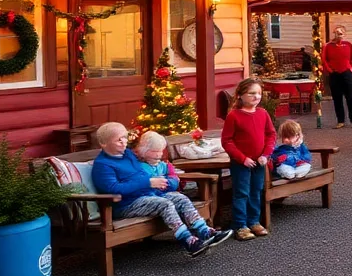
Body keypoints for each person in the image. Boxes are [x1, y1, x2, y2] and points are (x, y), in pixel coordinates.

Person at [92, 123, 230, 256]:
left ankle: (205, 231)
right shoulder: (103, 165)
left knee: (179, 198)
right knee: (164, 204)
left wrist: (161, 175)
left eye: (124, 137)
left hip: (146, 196)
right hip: (125, 204)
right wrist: (147, 182)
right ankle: (188, 241)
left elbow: (144, 159)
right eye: (118, 140)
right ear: (104, 144)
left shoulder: (128, 154)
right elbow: (113, 188)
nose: (123, 142)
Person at [221, 78, 277, 241]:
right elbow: (227, 141)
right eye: (251, 93)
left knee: (256, 191)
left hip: (260, 161)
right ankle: (240, 225)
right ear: (240, 95)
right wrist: (242, 158)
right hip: (242, 163)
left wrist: (266, 155)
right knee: (241, 192)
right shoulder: (234, 116)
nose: (256, 96)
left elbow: (271, 134)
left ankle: (254, 221)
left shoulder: (263, 113)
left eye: (259, 93)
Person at [322, 24, 352, 129]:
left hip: (346, 73)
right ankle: (340, 121)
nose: (339, 35)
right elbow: (324, 60)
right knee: (337, 98)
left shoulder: (348, 45)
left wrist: (351, 68)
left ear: (344, 34)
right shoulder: (328, 46)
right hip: (334, 74)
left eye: (341, 33)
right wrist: (330, 70)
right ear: (334, 34)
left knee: (350, 97)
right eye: (337, 33)